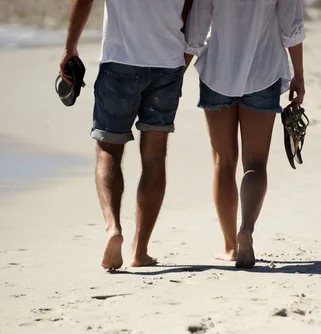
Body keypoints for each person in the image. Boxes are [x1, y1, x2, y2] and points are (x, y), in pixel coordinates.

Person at [60, 0, 193, 270]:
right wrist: (181, 63)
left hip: (119, 62)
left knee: (109, 150)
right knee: (155, 157)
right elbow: (190, 11)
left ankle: (113, 228)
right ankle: (139, 251)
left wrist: (70, 48)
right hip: (167, 64)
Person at [185, 0, 306, 268]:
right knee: (255, 164)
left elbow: (196, 31)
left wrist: (176, 76)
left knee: (223, 163)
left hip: (217, 72)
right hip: (263, 72)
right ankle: (246, 230)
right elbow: (291, 28)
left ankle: (230, 246)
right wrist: (299, 74)